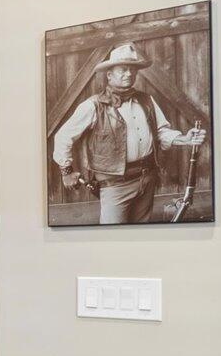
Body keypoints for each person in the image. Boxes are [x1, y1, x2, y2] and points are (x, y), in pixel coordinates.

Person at [52, 42, 205, 224]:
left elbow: (160, 131)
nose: (129, 74)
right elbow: (63, 137)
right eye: (123, 70)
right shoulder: (93, 105)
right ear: (109, 75)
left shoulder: (147, 100)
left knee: (140, 234)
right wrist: (66, 171)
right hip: (115, 185)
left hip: (147, 179)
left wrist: (184, 139)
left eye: (132, 70)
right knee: (112, 237)